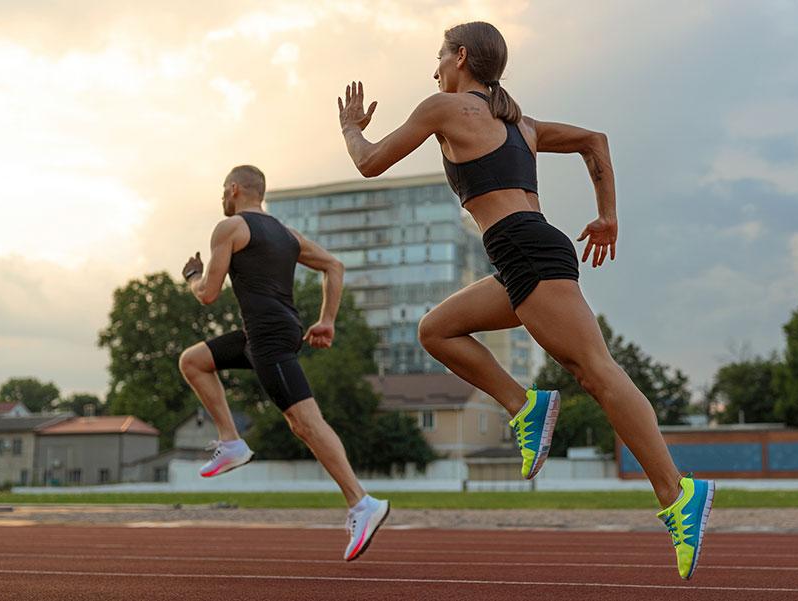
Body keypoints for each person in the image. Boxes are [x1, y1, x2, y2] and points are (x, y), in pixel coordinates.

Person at [335, 22, 714, 580]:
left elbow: (368, 162)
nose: (434, 68)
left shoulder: (444, 107)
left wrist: (349, 128)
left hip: (526, 251)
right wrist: (607, 214)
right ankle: (524, 406)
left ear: (461, 57)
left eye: (439, 57)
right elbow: (595, 141)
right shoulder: (520, 124)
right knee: (436, 330)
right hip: (522, 254)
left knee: (597, 372)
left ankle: (677, 493)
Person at [177, 164, 389, 562]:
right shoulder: (286, 234)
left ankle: (362, 503)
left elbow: (207, 294)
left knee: (305, 423)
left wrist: (193, 275)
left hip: (269, 337)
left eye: (224, 189)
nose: (222, 196)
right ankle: (231, 441)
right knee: (193, 361)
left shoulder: (230, 229)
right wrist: (326, 321)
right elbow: (334, 266)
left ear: (236, 189)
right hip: (267, 333)